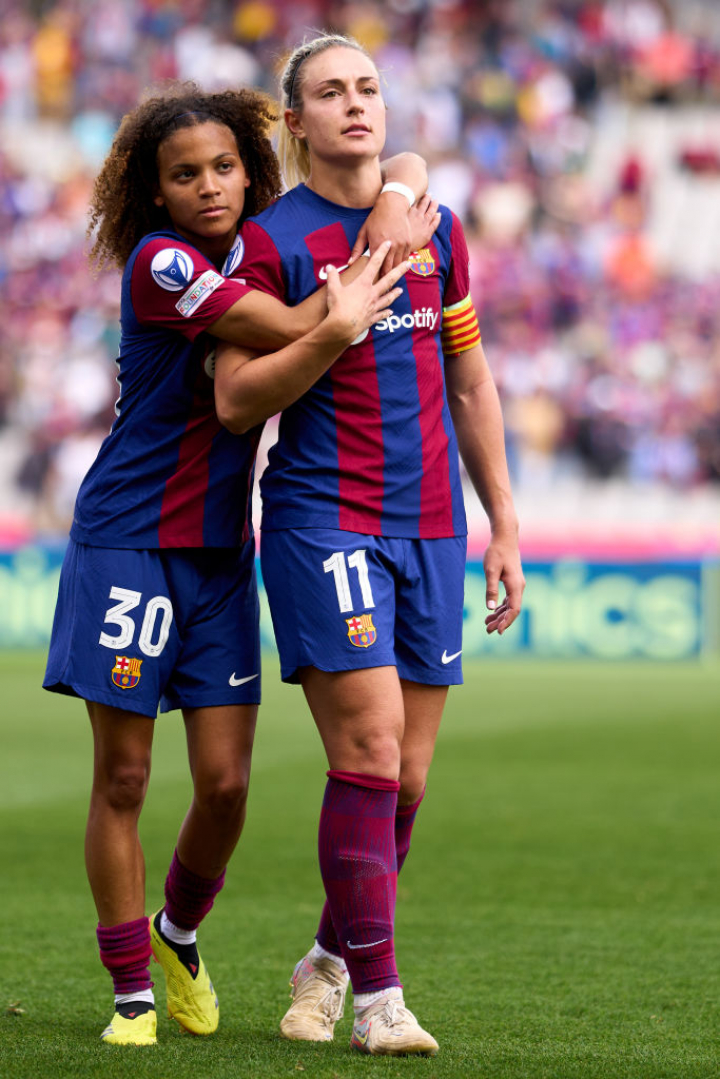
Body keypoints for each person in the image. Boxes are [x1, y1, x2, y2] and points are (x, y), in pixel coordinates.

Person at [42, 80, 434, 1048]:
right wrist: (343, 309)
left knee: (225, 786)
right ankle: (133, 987)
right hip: (131, 537)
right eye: (185, 174)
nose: (209, 185)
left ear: (252, 172)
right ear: (157, 191)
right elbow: (288, 330)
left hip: (222, 548)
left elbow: (402, 175)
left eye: (224, 167)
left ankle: (179, 931)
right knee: (126, 777)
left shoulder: (267, 247)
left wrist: (400, 183)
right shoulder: (163, 260)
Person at [214, 33, 526, 1058]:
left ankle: (329, 960)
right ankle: (382, 1003)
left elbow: (471, 382)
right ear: (295, 122)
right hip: (322, 517)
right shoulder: (269, 242)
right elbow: (233, 398)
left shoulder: (439, 230)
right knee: (370, 750)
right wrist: (333, 326)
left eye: (369, 87)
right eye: (330, 93)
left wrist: (504, 522)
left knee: (409, 781)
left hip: (433, 524)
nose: (356, 104)